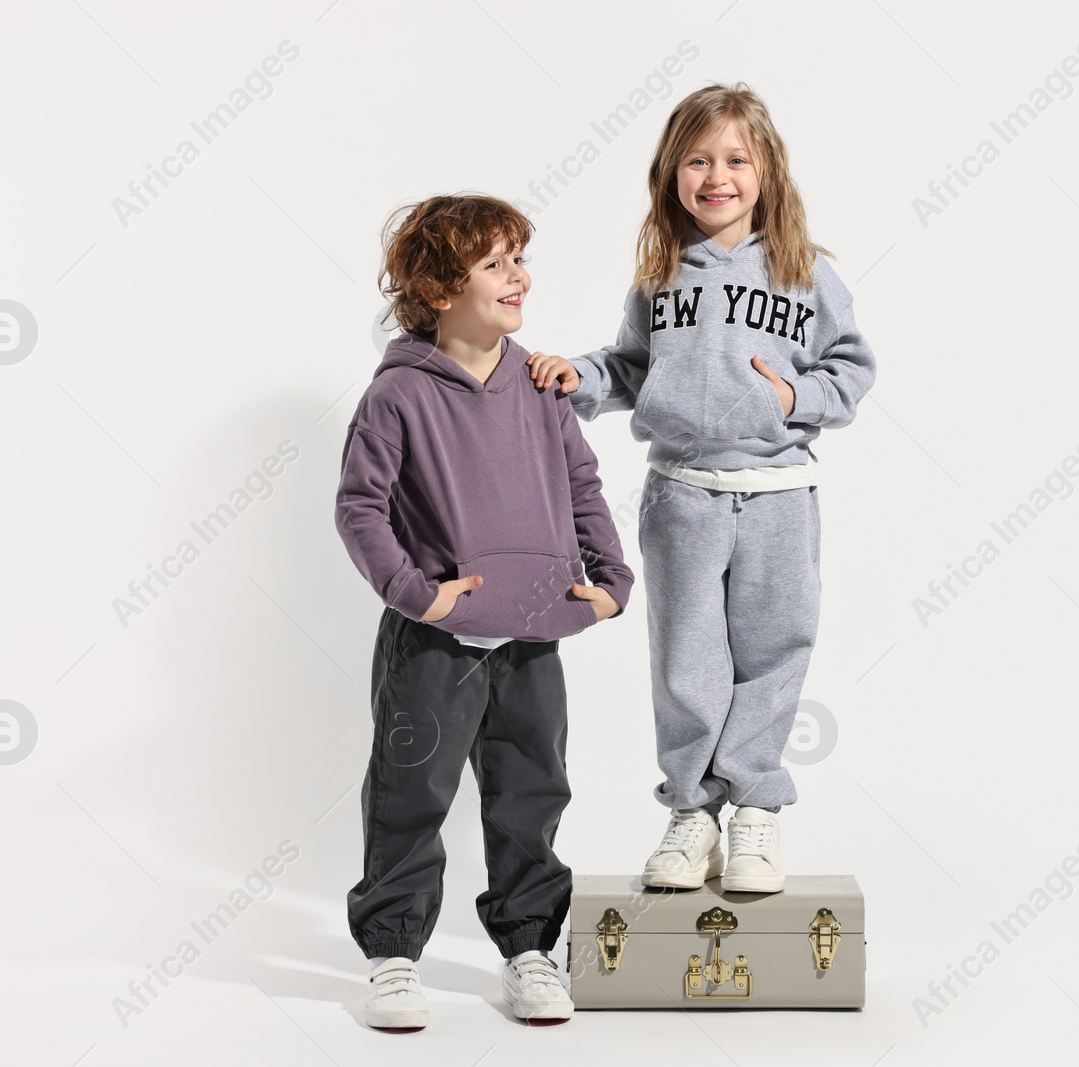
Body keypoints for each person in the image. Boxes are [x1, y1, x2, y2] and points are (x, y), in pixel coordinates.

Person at [527, 83, 876, 894]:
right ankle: (691, 812)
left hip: (781, 494)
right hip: (681, 493)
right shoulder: (660, 274)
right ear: (671, 173)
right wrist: (575, 375)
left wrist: (795, 399)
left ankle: (754, 808)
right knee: (686, 662)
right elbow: (628, 366)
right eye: (697, 159)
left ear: (766, 171)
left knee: (773, 650)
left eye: (734, 160)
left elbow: (852, 369)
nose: (716, 176)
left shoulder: (806, 270)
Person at [335, 194, 634, 1028]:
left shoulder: (542, 386)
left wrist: (612, 580)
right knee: (411, 791)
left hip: (535, 638)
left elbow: (582, 486)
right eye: (496, 263)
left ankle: (529, 946)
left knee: (533, 790)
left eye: (520, 259)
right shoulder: (399, 395)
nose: (520, 277)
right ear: (439, 288)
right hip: (433, 647)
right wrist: (417, 593)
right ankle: (394, 954)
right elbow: (361, 508)